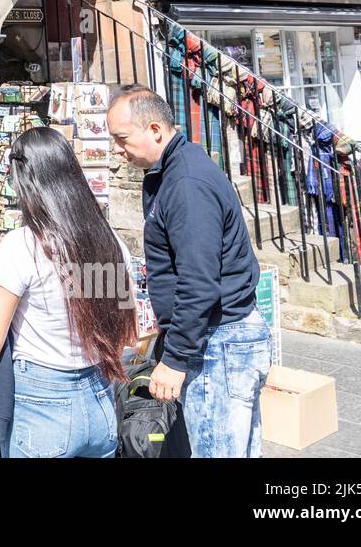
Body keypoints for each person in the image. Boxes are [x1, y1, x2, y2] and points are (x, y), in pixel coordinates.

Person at [107, 85, 271, 458]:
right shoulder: (176, 170)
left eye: (121, 138)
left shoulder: (185, 183)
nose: (117, 149)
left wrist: (176, 359)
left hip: (219, 341)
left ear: (155, 130)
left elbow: (199, 281)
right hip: (221, 337)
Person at [0, 126, 138, 458]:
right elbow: (128, 336)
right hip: (100, 401)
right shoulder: (110, 244)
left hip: (41, 406)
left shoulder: (23, 246)